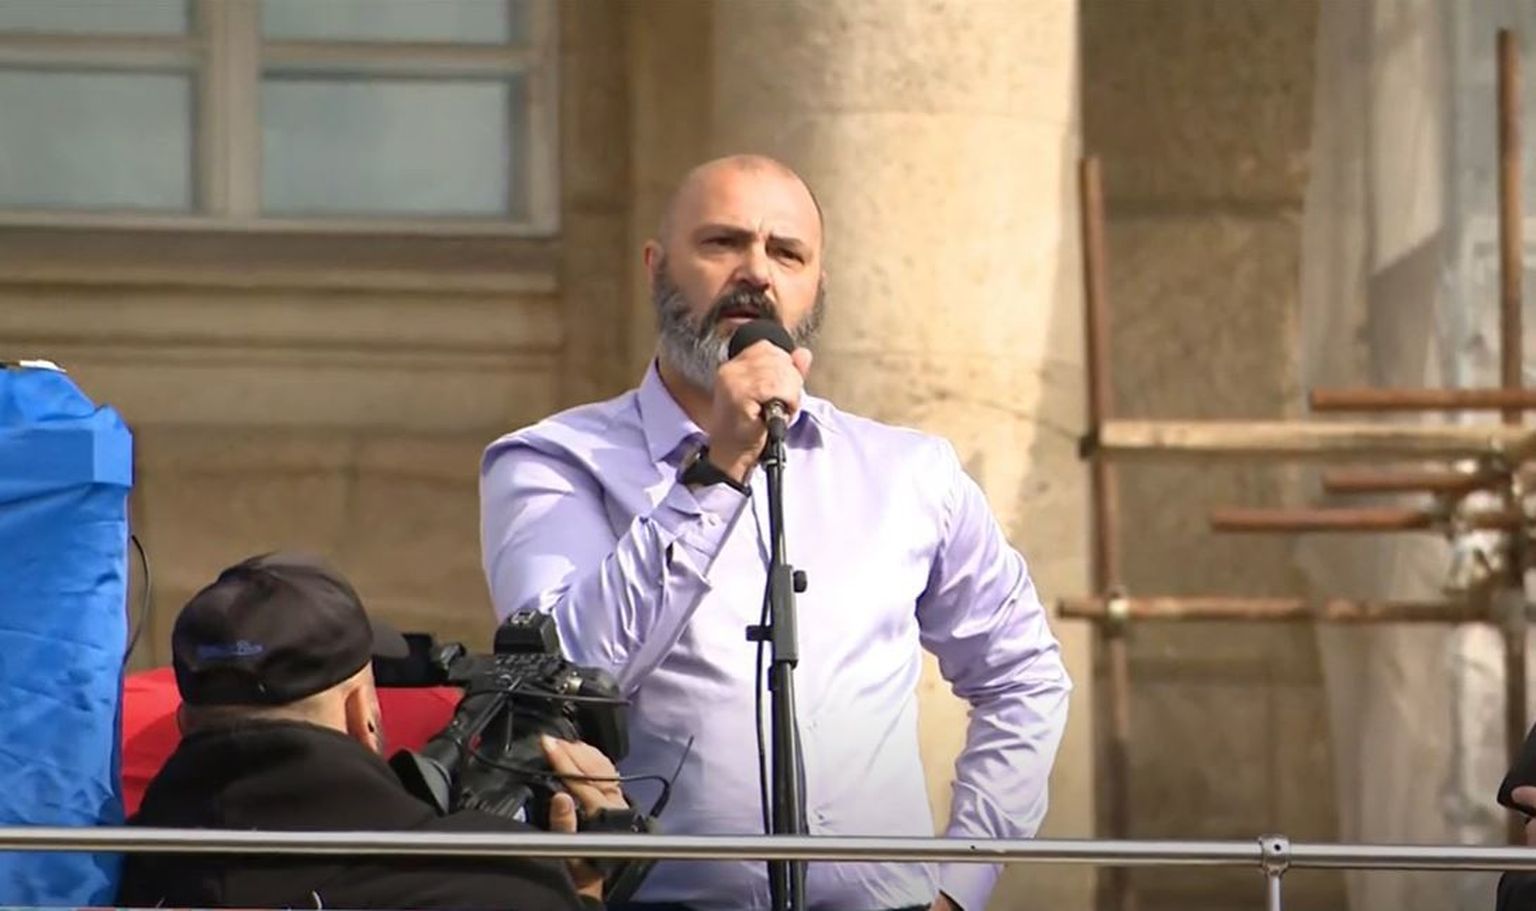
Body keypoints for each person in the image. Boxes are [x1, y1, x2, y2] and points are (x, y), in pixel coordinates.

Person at [479, 154, 1072, 911]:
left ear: (815, 288)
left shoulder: (909, 473)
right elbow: (558, 676)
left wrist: (961, 882)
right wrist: (719, 466)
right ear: (657, 267)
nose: (755, 272)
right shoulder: (557, 461)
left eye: (786, 253)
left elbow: (1024, 675)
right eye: (722, 242)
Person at [118, 552, 627, 911]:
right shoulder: (499, 878)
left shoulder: (101, 871)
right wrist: (581, 892)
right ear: (362, 713)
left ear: (185, 724)